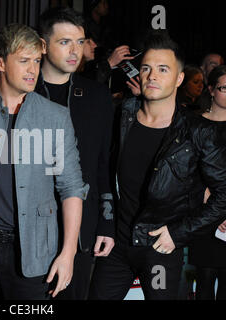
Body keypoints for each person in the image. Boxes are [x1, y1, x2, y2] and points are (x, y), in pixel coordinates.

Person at [88, 31, 226, 300]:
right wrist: (105, 226)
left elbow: (223, 195)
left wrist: (179, 233)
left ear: (179, 78)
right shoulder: (123, 114)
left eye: (163, 69)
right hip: (117, 244)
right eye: (147, 68)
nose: (152, 76)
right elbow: (104, 169)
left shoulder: (198, 131)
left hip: (162, 249)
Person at [0, 23, 88, 300]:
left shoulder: (56, 117)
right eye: (24, 60)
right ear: (0, 63)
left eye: (37, 61)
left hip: (34, 249)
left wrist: (68, 253)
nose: (32, 70)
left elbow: (72, 187)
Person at [35, 7, 115, 300]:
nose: (75, 51)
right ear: (43, 45)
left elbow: (104, 163)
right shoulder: (23, 92)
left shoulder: (98, 96)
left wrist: (106, 221)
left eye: (80, 42)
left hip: (83, 228)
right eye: (64, 41)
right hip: (28, 227)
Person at [188, 65, 226, 300]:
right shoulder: (194, 124)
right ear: (211, 90)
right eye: (224, 87)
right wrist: (205, 195)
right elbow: (184, 170)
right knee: (204, 279)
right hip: (203, 214)